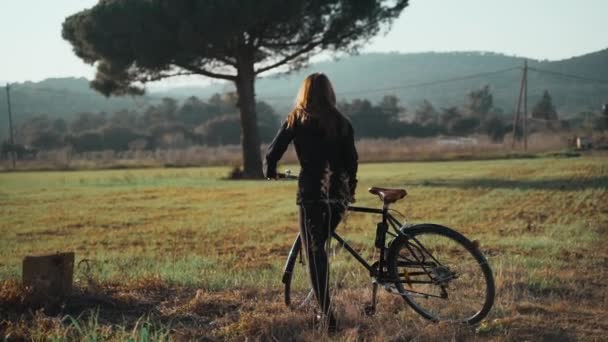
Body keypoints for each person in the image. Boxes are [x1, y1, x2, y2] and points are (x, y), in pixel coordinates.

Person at [264, 73, 358, 330]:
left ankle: (328, 318)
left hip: (312, 194)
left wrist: (270, 169)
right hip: (339, 195)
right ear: (330, 93)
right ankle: (325, 310)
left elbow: (272, 153)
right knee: (320, 246)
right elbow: (352, 161)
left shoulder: (296, 119)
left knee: (315, 253)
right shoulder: (342, 122)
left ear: (305, 92)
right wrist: (349, 190)